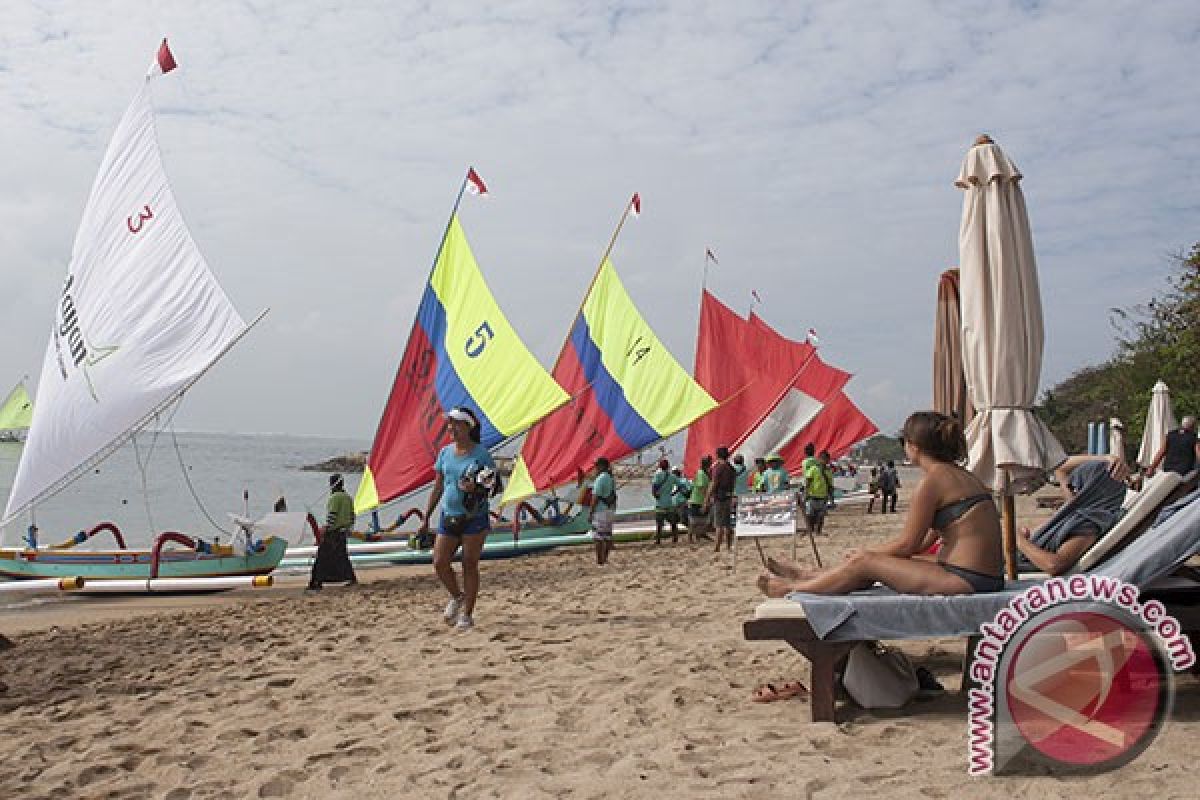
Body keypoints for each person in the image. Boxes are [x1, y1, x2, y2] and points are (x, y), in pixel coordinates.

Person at [758, 411, 1004, 597]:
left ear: (913, 447)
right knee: (871, 564)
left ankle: (794, 588)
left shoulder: (932, 482)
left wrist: (867, 554)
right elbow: (928, 540)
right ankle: (808, 575)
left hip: (966, 579)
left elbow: (909, 544)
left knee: (864, 561)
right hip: (981, 576)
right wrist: (876, 558)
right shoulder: (963, 476)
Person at [416, 407, 498, 631]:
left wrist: (476, 486)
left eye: (455, 424)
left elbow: (493, 486)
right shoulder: (445, 453)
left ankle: (467, 615)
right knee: (440, 562)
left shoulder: (481, 454)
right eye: (449, 424)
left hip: (474, 517)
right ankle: (457, 596)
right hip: (448, 515)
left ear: (468, 427)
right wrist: (426, 515)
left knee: (469, 564)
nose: (450, 428)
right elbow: (438, 486)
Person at [1016, 453, 1130, 576]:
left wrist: (1019, 540)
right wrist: (1105, 458)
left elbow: (1055, 565)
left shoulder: (1088, 522)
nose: (1072, 490)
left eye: (1077, 485)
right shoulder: (1081, 509)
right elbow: (1060, 469)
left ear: (1090, 488)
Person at [307, 474, 357, 591]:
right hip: (343, 532)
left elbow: (332, 515)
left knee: (322, 557)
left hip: (333, 533)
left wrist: (326, 529)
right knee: (342, 557)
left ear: (332, 485)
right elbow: (352, 516)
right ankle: (351, 579)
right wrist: (349, 528)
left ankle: (316, 582)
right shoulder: (348, 497)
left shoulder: (335, 498)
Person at [707, 446, 736, 552]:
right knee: (728, 524)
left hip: (720, 498)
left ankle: (717, 547)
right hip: (728, 497)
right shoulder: (731, 468)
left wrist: (707, 499)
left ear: (717, 455)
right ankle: (729, 546)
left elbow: (714, 483)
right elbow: (733, 484)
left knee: (719, 524)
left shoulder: (718, 468)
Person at [589, 457, 617, 564]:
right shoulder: (611, 478)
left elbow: (595, 497)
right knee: (607, 536)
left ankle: (600, 560)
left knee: (598, 537)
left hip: (600, 511)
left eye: (596, 465)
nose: (595, 468)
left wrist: (591, 512)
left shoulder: (600, 478)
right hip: (610, 510)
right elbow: (614, 496)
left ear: (601, 466)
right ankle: (605, 558)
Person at [651, 459, 680, 544]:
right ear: (668, 466)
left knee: (659, 524)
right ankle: (675, 539)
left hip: (660, 503)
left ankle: (658, 540)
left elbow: (654, 487)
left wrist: (655, 495)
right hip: (669, 502)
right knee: (673, 522)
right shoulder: (672, 476)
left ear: (660, 466)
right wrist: (673, 493)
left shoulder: (657, 474)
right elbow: (680, 486)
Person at [804, 451, 833, 535]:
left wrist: (831, 498)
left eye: (826, 459)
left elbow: (830, 486)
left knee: (821, 515)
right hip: (812, 495)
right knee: (810, 515)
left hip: (823, 497)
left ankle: (818, 531)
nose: (825, 461)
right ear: (819, 459)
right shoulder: (813, 469)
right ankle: (810, 530)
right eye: (823, 459)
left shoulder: (828, 471)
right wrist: (806, 493)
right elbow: (808, 481)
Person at [689, 456, 713, 541]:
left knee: (702, 519)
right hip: (697, 499)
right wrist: (707, 498)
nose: (711, 464)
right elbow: (701, 487)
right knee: (695, 521)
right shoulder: (701, 473)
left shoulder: (706, 472)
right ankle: (690, 538)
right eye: (710, 462)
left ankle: (699, 536)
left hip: (702, 499)